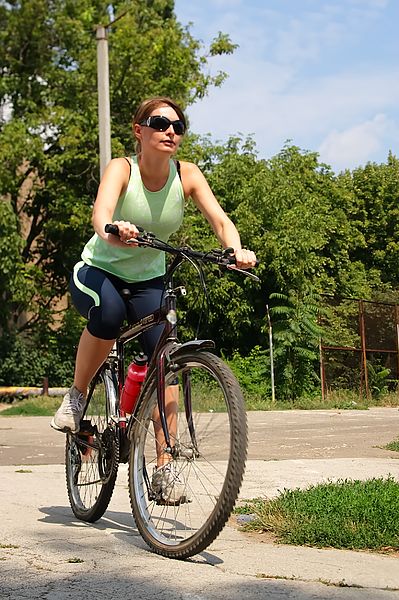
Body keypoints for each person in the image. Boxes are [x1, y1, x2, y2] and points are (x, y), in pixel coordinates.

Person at [51, 96, 257, 502]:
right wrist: (114, 228)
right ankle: (76, 399)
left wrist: (236, 249)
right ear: (139, 130)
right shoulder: (122, 169)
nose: (170, 132)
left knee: (166, 359)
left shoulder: (189, 174)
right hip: (99, 271)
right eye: (160, 123)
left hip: (148, 280)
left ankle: (165, 467)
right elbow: (100, 213)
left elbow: (218, 219)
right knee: (108, 315)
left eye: (178, 127)